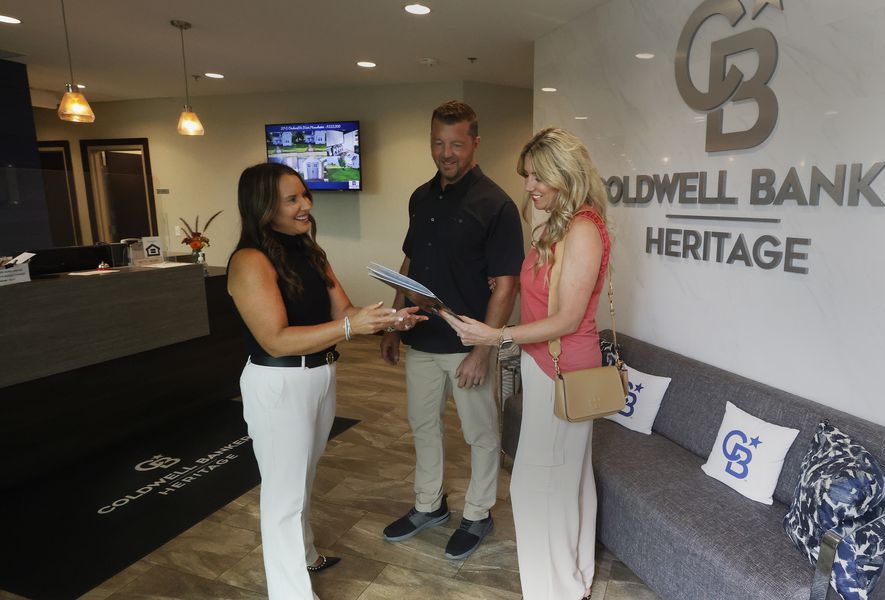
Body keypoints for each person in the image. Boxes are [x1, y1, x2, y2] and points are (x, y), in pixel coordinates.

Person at [228, 162, 424, 600]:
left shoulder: (309, 251)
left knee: (302, 479)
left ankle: (305, 553)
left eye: (305, 195)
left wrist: (391, 320)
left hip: (319, 378)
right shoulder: (249, 261)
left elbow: (343, 314)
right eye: (292, 199)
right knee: (283, 497)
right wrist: (353, 329)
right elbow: (275, 340)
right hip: (279, 385)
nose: (306, 206)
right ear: (263, 207)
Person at [442, 128, 610, 600]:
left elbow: (568, 318)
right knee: (566, 479)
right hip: (549, 367)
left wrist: (497, 337)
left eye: (539, 176)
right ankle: (571, 579)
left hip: (563, 370)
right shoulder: (561, 223)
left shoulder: (580, 228)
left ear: (566, 174)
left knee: (537, 487)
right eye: (528, 176)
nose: (530, 186)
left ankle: (554, 590)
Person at [380, 101, 525, 560]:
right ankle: (430, 505)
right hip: (421, 337)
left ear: (475, 143)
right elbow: (410, 263)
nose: (446, 153)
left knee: (480, 434)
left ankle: (479, 514)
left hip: (468, 345)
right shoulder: (420, 197)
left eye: (456, 144)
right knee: (423, 426)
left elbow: (507, 283)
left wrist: (484, 350)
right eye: (438, 143)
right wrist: (393, 323)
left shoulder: (497, 204)